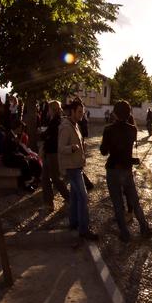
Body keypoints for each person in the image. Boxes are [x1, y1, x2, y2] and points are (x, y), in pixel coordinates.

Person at [100, 100, 152, 242]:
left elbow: (103, 152)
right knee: (134, 201)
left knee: (118, 203)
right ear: (129, 112)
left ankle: (124, 233)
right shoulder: (132, 129)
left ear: (115, 113)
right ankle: (144, 228)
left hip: (112, 168)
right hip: (126, 168)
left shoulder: (108, 129)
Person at [58, 100, 97, 241]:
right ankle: (84, 229)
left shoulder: (75, 125)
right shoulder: (66, 127)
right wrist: (72, 148)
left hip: (77, 165)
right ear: (72, 112)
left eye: (83, 112)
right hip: (72, 167)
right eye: (79, 112)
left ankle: (73, 222)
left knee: (75, 196)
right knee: (83, 197)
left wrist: (81, 147)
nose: (82, 114)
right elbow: (61, 148)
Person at [40, 100, 69, 209]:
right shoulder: (54, 120)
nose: (48, 111)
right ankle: (48, 203)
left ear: (52, 109)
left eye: (49, 109)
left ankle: (69, 198)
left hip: (53, 153)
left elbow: (48, 136)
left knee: (55, 178)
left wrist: (43, 134)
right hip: (50, 152)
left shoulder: (56, 121)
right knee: (45, 178)